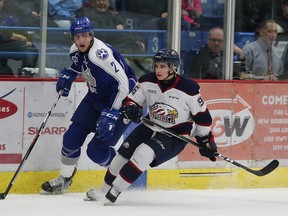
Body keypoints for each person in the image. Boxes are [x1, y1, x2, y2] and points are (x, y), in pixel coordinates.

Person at [84, 48, 218, 203]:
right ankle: (103, 191)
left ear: (173, 68)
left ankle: (115, 191)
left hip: (175, 136)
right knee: (118, 160)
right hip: (149, 126)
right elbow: (132, 100)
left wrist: (206, 140)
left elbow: (203, 118)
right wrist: (131, 107)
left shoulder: (189, 89)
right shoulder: (147, 80)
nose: (158, 69)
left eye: (163, 66)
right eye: (156, 65)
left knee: (143, 154)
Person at [40, 16, 137, 194]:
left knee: (96, 152)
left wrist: (112, 112)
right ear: (72, 38)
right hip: (95, 99)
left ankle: (125, 176)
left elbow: (124, 85)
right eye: (77, 37)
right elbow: (80, 64)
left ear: (91, 35)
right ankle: (65, 179)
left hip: (122, 102)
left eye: (85, 35)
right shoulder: (75, 51)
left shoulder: (100, 55)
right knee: (71, 139)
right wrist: (70, 73)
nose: (81, 40)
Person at [77, 0, 145, 55]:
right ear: (92, 1)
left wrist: (137, 40)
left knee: (149, 62)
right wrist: (115, 29)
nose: (101, 2)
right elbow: (98, 34)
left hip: (125, 49)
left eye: (104, 0)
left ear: (109, 2)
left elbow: (127, 31)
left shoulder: (114, 14)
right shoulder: (84, 14)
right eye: (98, 0)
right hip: (103, 52)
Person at [0, 0, 39, 76]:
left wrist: (28, 40)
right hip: (3, 42)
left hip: (9, 44)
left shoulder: (10, 12)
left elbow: (20, 29)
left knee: (31, 52)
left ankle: (25, 77)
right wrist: (17, 36)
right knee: (6, 73)